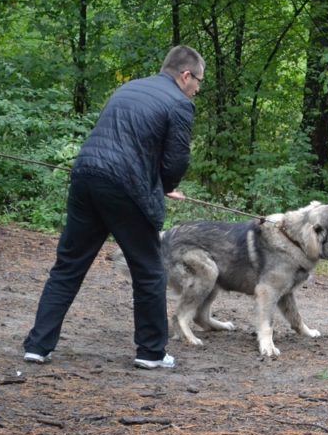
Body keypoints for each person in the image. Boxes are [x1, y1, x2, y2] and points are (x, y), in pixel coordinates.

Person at [22, 45, 205, 370]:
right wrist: (164, 185)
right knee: (149, 271)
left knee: (68, 266)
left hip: (85, 176)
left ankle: (37, 346)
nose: (198, 89)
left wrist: (155, 183)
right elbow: (177, 160)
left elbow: (120, 140)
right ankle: (151, 352)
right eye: (198, 82)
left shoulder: (129, 88)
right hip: (125, 186)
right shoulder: (179, 103)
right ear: (185, 75)